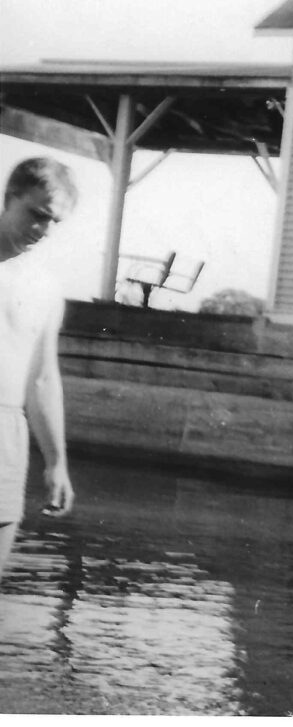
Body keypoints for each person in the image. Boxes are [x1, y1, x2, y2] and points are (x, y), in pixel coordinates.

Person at [0, 157, 79, 581]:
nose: (43, 230)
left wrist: (56, 462)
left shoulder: (45, 288)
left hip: (6, 435)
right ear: (9, 196)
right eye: (36, 214)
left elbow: (44, 380)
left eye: (54, 222)